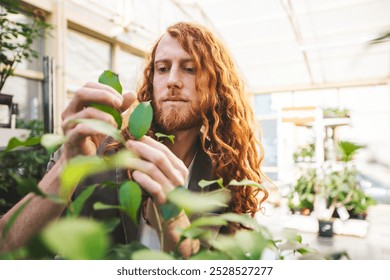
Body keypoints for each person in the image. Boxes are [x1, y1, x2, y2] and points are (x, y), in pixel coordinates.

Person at [0, 22, 268, 257]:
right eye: (162, 68)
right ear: (151, 81)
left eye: (189, 69)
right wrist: (67, 168)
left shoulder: (225, 174)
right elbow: (6, 250)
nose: (172, 80)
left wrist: (173, 217)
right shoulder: (97, 145)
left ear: (217, 86)